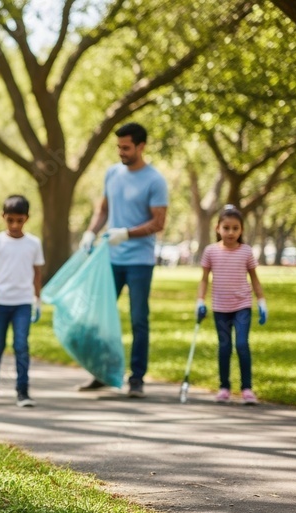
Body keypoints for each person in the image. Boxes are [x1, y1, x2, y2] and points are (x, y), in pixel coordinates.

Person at [79, 122, 168, 398]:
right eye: (118, 147)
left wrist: (128, 233)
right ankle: (102, 372)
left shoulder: (155, 180)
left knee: (139, 319)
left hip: (139, 260)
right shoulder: (112, 174)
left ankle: (137, 378)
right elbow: (103, 210)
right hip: (111, 258)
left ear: (141, 146)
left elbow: (159, 222)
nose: (121, 152)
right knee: (100, 317)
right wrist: (90, 232)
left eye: (126, 147)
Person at [0, 195, 45, 408]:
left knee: (21, 345)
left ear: (27, 218)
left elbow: (37, 275)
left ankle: (23, 392)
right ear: (3, 217)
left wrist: (37, 300)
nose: (14, 225)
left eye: (19, 220)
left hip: (22, 302)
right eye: (10, 220)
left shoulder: (33, 244)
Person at [196, 205, 267, 405]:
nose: (230, 232)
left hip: (242, 305)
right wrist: (200, 301)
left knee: (242, 345)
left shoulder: (246, 251)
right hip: (220, 307)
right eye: (226, 228)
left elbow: (254, 278)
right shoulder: (210, 251)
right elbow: (203, 279)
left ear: (241, 230)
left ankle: (246, 388)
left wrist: (261, 302)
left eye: (235, 228)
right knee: (225, 347)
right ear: (218, 228)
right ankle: (224, 387)